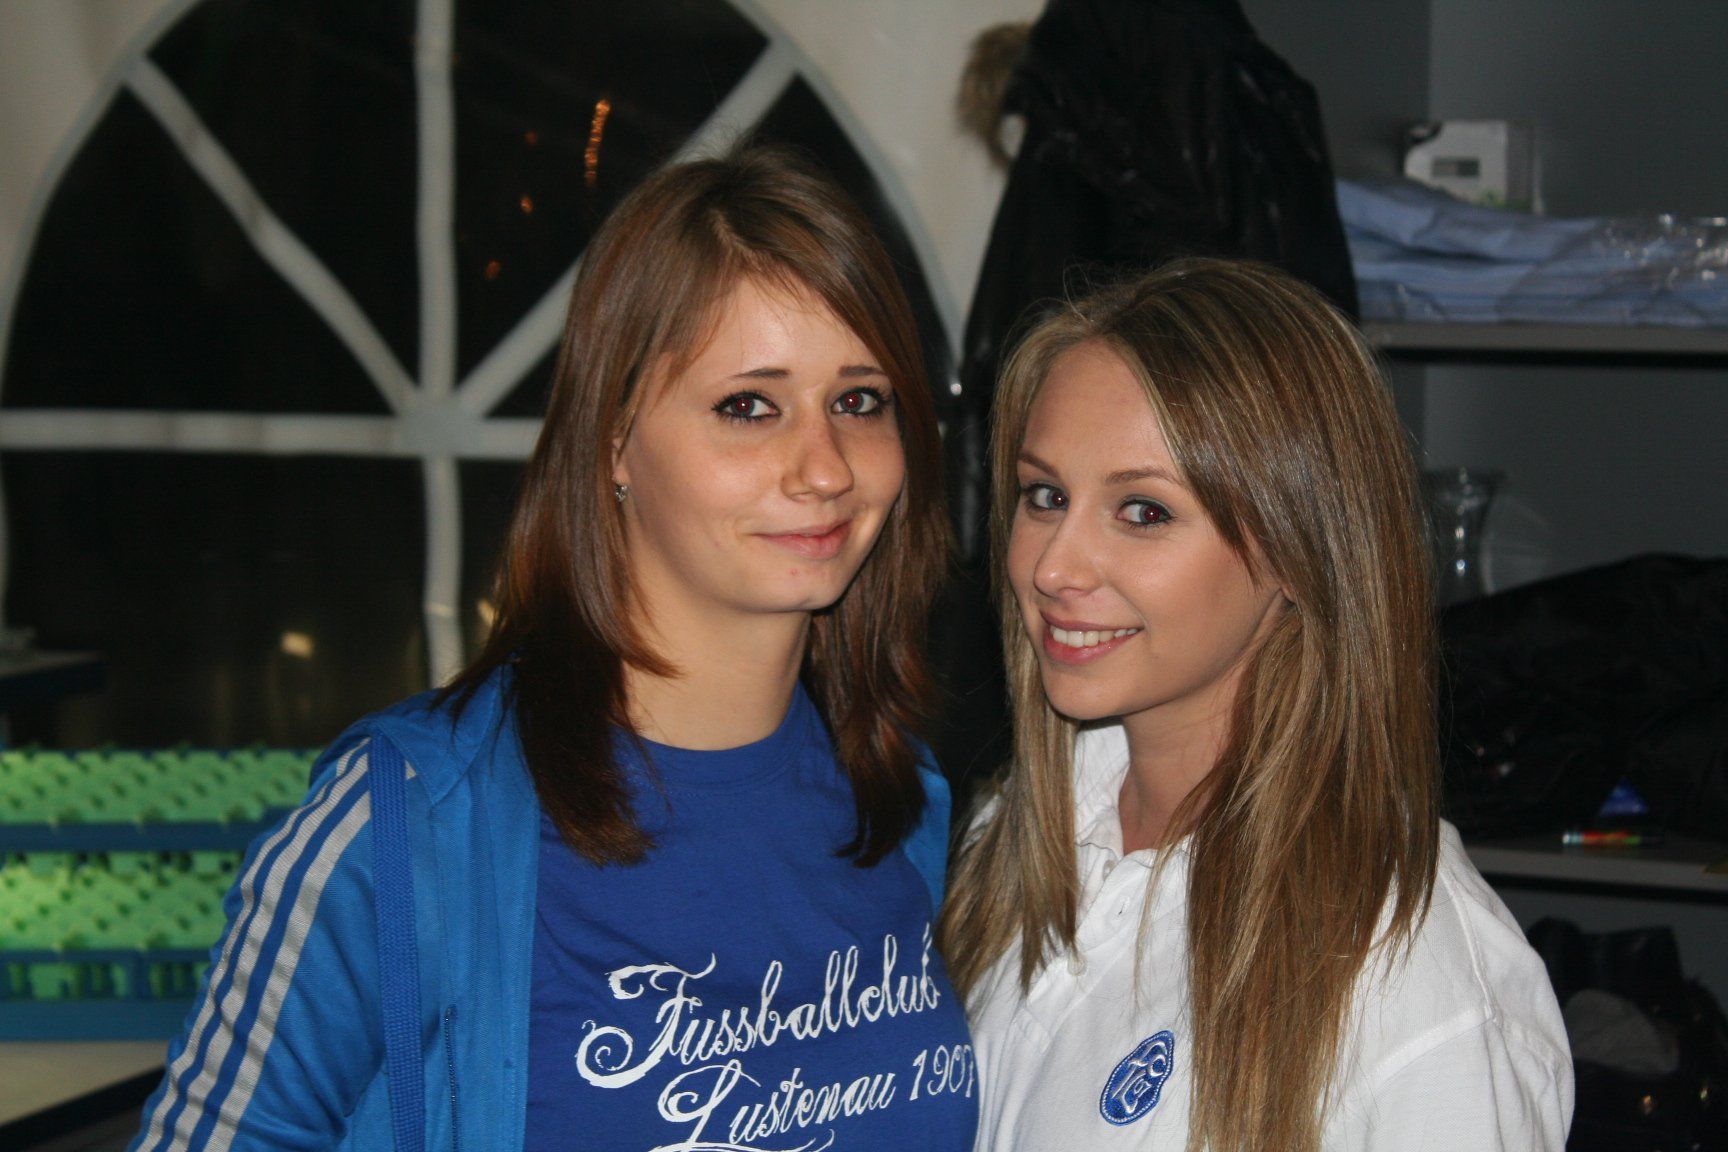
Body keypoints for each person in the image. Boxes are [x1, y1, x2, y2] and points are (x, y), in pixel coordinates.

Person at [128, 147, 977, 1152]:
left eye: (860, 400)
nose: (824, 468)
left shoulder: (905, 798)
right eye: (749, 405)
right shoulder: (409, 818)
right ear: (614, 438)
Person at [938, 259, 1572, 1151]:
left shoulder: (1413, 977)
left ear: (1299, 546)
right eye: (1046, 496)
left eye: (1143, 512)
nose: (1052, 567)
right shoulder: (1013, 835)